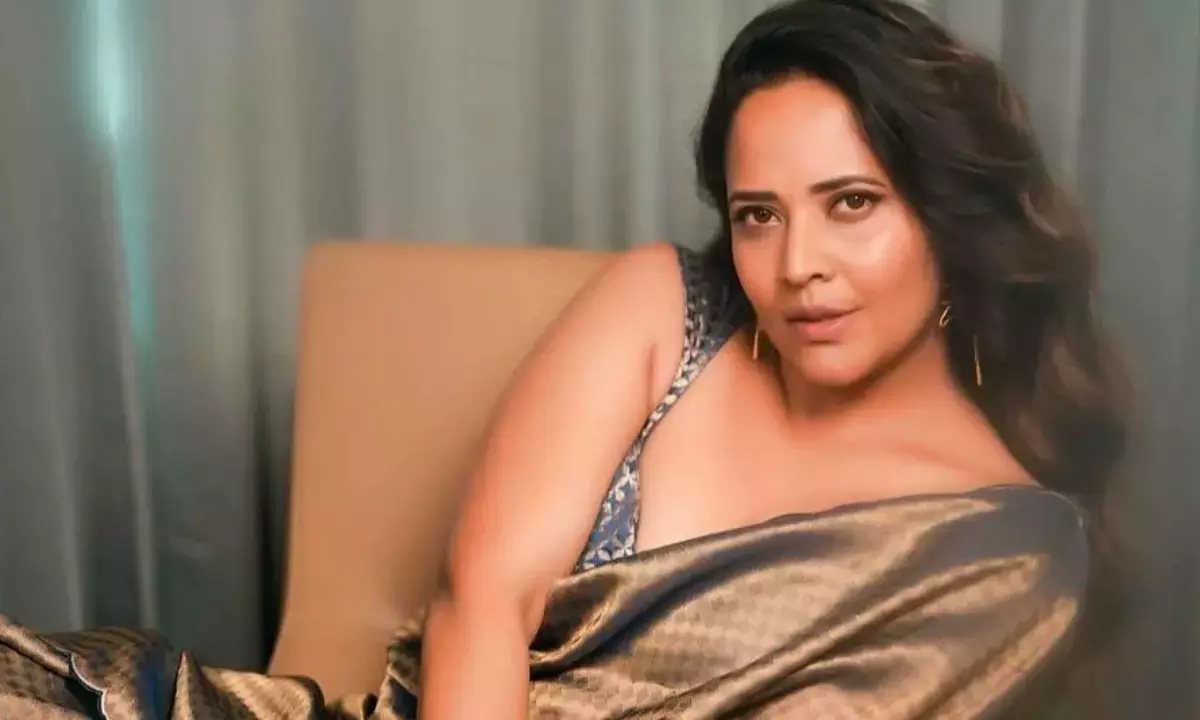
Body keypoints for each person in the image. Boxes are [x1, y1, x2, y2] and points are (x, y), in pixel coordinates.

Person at [0, 0, 1129, 718]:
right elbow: (480, 601)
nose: (798, 267)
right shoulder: (666, 309)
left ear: (945, 216)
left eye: (852, 204)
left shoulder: (1007, 550)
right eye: (758, 214)